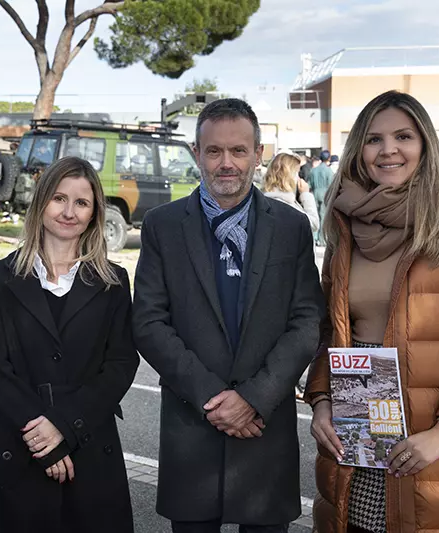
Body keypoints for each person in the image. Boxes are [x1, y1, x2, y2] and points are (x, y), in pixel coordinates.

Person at [305, 90, 439, 533]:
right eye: (373, 139)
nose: (388, 150)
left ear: (426, 144)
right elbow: (329, 330)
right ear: (358, 151)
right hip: (357, 434)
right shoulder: (345, 225)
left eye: (404, 136)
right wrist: (321, 400)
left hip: (435, 439)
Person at [133, 98, 324, 533]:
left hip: (264, 426)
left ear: (259, 155)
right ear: (197, 154)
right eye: (214, 151)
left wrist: (254, 398)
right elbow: (148, 322)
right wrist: (213, 400)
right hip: (193, 426)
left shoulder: (290, 227)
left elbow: (306, 321)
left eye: (239, 151)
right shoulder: (163, 225)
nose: (226, 163)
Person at [0, 156, 138, 532]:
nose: (69, 212)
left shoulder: (113, 282)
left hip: (92, 446)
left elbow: (120, 365)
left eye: (81, 203)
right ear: (41, 202)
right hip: (22, 447)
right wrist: (42, 438)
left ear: (95, 212)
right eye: (59, 199)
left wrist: (64, 427)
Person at [261, 152, 320, 233]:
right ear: (288, 175)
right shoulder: (282, 203)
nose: (299, 178)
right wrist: (306, 194)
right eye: (297, 173)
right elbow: (313, 224)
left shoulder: (269, 199)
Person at [308, 150, 335, 244]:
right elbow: (332, 185)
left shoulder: (313, 170)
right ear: (328, 158)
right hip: (325, 193)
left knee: (315, 216)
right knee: (323, 216)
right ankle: (322, 239)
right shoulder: (329, 171)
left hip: (315, 193)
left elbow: (309, 184)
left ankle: (314, 238)